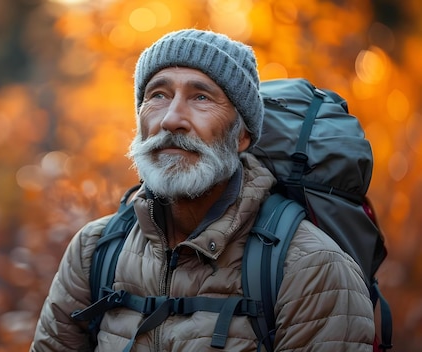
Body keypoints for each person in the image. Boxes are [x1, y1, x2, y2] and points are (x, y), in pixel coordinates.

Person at [31, 29, 375, 351]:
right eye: (158, 95)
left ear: (242, 136)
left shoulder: (310, 268)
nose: (171, 119)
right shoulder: (95, 251)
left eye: (200, 97)